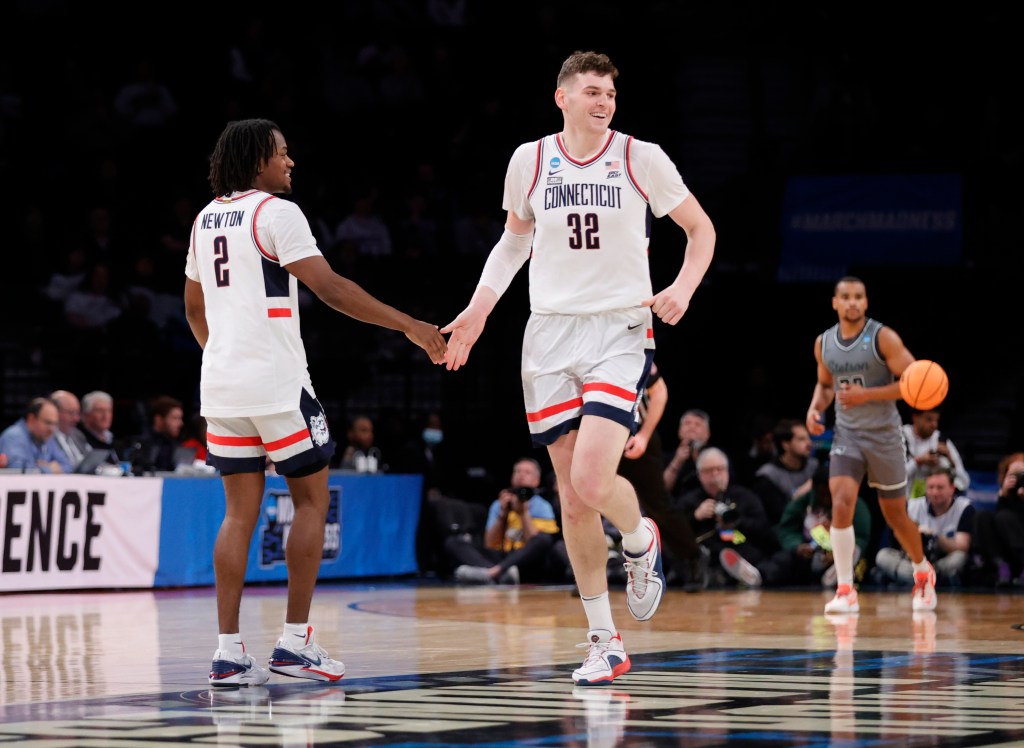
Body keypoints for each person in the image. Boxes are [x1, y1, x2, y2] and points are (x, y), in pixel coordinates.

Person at [440, 50, 715, 686]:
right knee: (571, 493)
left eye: (610, 95)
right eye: (591, 92)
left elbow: (701, 231)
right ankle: (604, 641)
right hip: (548, 336)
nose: (602, 102)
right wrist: (479, 312)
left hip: (620, 329)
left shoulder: (641, 158)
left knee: (594, 478)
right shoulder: (529, 160)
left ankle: (641, 538)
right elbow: (513, 241)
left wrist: (683, 287)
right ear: (561, 97)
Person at [184, 118, 446, 687]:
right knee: (310, 503)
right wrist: (409, 326)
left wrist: (224, 356)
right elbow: (331, 289)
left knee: (236, 515)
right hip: (276, 383)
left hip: (221, 386)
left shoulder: (205, 220)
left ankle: (228, 655)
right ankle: (295, 644)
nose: (291, 162)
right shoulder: (277, 213)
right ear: (258, 160)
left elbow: (194, 310)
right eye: (282, 153)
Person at [806, 276, 937, 615]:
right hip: (847, 435)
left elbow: (914, 383)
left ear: (866, 303)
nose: (852, 302)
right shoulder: (824, 343)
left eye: (859, 297)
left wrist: (869, 395)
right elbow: (824, 386)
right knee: (841, 501)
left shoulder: (883, 337)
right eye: (846, 297)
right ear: (835, 302)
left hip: (884, 436)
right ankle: (846, 589)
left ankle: (922, 571)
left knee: (895, 515)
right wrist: (814, 408)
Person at [616, 360, 708, 591]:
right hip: (600, 437)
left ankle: (693, 557)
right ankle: (588, 573)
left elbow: (659, 393)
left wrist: (644, 436)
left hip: (636, 434)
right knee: (588, 504)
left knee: (657, 505)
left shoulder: (632, 344)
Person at [675, 448, 786, 588]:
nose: (715, 475)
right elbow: (674, 531)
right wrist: (695, 516)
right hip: (708, 552)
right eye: (709, 471)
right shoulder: (689, 500)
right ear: (699, 475)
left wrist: (737, 522)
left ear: (727, 471)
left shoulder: (745, 496)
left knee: (777, 557)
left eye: (719, 469)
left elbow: (763, 528)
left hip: (741, 547)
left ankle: (753, 575)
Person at [446, 457, 562, 584]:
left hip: (525, 561)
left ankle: (490, 573)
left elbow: (537, 543)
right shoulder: (499, 504)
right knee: (454, 542)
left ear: (536, 480)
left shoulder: (542, 506)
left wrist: (523, 513)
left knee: (544, 539)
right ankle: (500, 574)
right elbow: (489, 543)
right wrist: (502, 515)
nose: (521, 475)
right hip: (504, 557)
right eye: (517, 471)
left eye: (527, 472)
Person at [775, 463, 872, 587]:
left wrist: (838, 553)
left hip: (843, 553)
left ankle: (840, 572)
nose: (826, 499)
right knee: (782, 560)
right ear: (814, 489)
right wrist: (797, 546)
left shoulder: (855, 505)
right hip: (810, 554)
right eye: (822, 494)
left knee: (856, 555)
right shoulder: (802, 502)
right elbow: (787, 530)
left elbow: (861, 538)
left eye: (830, 495)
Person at [874, 466, 974, 586]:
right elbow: (898, 542)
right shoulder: (913, 506)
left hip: (941, 560)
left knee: (960, 558)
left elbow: (962, 546)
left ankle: (915, 579)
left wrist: (936, 538)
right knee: (882, 556)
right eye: (931, 488)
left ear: (952, 489)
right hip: (914, 560)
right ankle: (923, 578)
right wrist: (916, 536)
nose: (935, 492)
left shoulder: (964, 508)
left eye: (940, 488)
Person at [971, 452, 1024, 587]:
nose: (1018, 479)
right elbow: (999, 522)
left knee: (1004, 517)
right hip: (1006, 547)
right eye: (1013, 475)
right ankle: (1000, 565)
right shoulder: (1004, 494)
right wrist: (1004, 495)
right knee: (982, 515)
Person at [752, 418, 819, 525]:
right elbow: (778, 516)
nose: (809, 443)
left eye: (808, 438)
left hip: (817, 525)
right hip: (785, 530)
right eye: (801, 439)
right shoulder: (768, 475)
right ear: (785, 445)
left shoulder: (815, 466)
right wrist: (800, 494)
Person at [902, 408, 970, 498]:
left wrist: (950, 461)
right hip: (903, 501)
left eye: (936, 420)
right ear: (915, 417)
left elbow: (964, 483)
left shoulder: (941, 440)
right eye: (929, 419)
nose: (934, 425)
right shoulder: (901, 436)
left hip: (932, 504)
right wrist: (918, 461)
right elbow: (892, 479)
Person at [0, 397, 72, 473]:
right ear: (31, 419)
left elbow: (68, 466)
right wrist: (48, 469)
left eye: (55, 424)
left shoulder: (46, 437)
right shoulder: (13, 436)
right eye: (48, 423)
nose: (52, 429)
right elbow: (18, 470)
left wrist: (41, 468)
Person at [664, 408, 712, 500]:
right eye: (687, 423)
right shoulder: (666, 457)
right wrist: (677, 461)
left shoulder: (717, 457)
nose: (692, 427)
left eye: (698, 424)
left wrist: (699, 458)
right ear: (679, 431)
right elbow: (660, 490)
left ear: (707, 434)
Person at [130, 395, 186, 473]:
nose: (180, 423)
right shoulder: (141, 446)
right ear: (159, 420)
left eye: (180, 418)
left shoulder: (178, 445)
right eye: (175, 418)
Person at [50, 389, 91, 470]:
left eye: (77, 413)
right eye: (71, 413)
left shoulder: (77, 434)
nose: (76, 419)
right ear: (55, 412)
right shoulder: (47, 437)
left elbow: (92, 458)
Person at [78, 390, 121, 457]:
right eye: (100, 410)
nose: (105, 416)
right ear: (86, 414)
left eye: (109, 410)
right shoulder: (78, 438)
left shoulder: (112, 439)